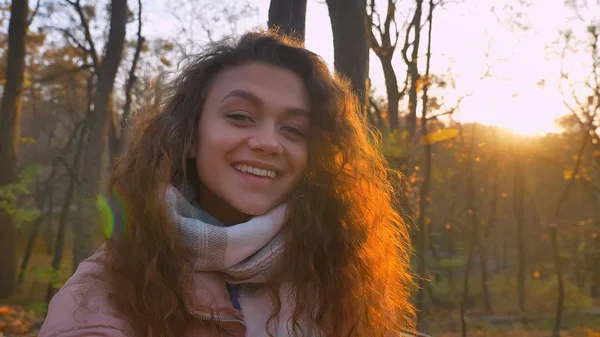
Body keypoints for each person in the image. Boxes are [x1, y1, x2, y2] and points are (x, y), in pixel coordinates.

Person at [38, 30, 415, 337]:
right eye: (240, 116)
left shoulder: (339, 274)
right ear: (188, 137)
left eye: (292, 129)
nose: (268, 142)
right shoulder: (101, 294)